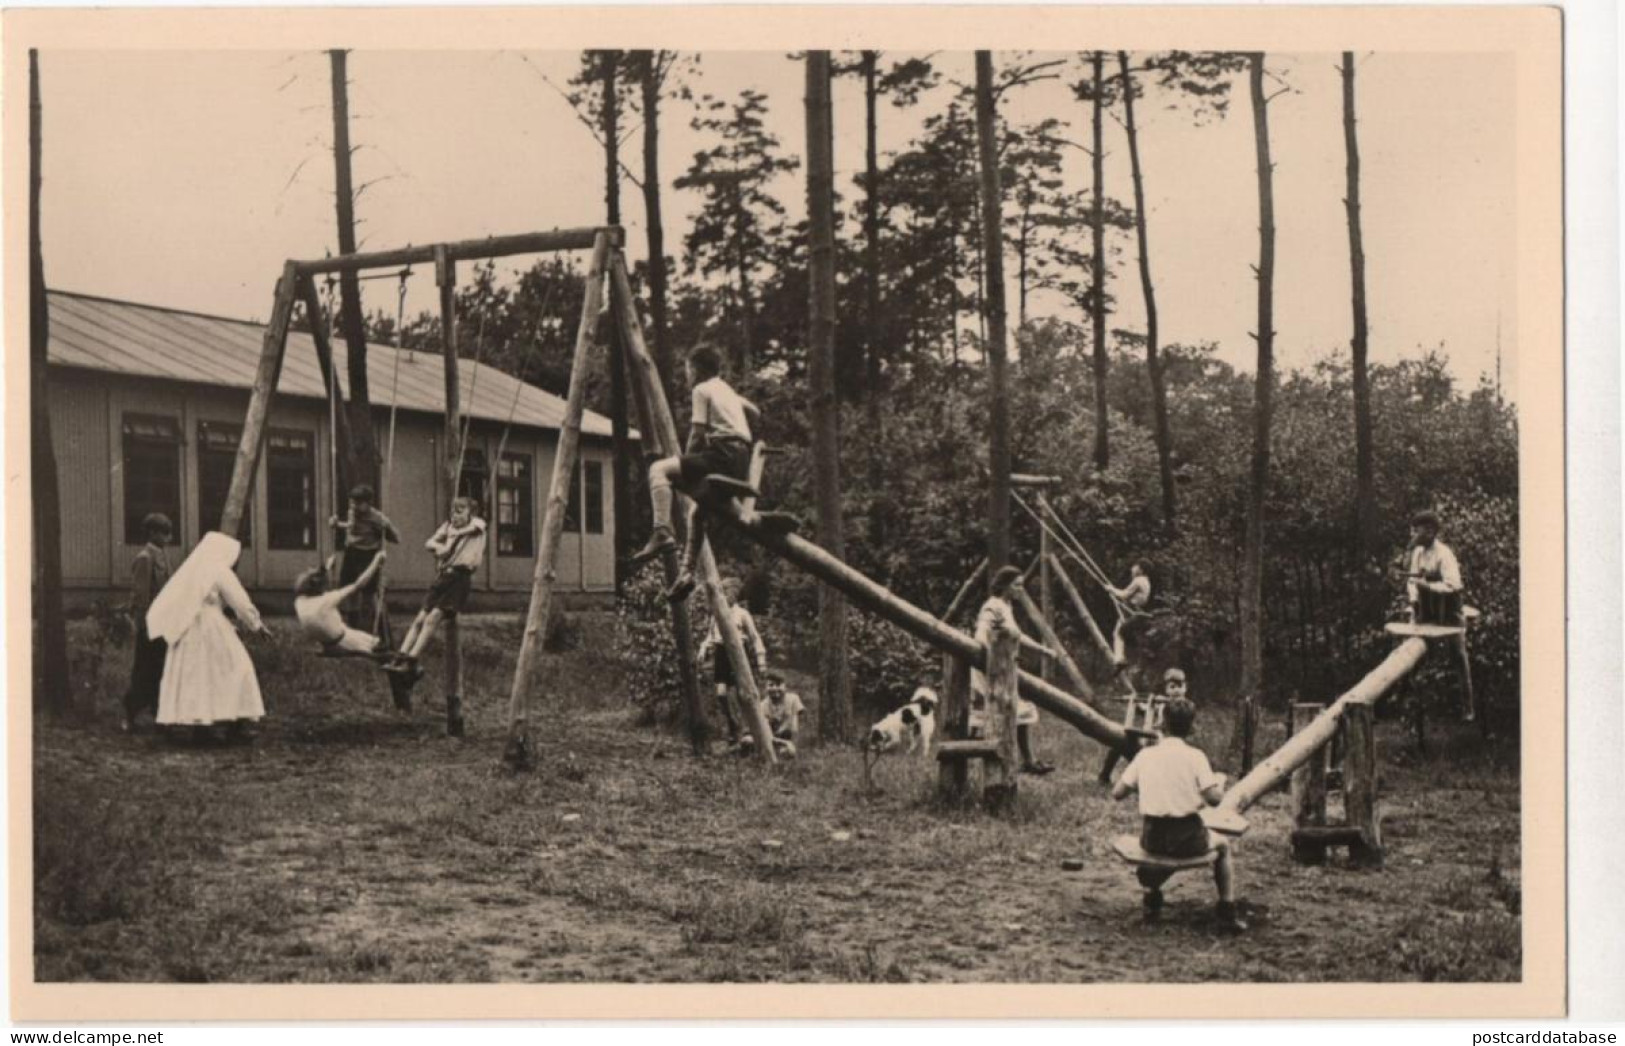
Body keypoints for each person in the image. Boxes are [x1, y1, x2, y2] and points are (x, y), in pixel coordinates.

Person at [632, 344, 760, 603]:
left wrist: (685, 461)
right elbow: (756, 412)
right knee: (697, 512)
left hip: (722, 454)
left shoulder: (701, 389)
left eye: (688, 369)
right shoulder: (727, 390)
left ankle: (661, 531)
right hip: (741, 459)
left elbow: (697, 433)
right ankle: (687, 574)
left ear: (697, 369)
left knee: (658, 469)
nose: (686, 375)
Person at [1111, 697, 1245, 932]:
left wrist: (1151, 787)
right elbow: (1214, 799)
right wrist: (1219, 782)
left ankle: (1152, 900)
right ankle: (1227, 910)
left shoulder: (1146, 755)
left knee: (1156, 854)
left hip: (1152, 837)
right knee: (1223, 845)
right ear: (1191, 727)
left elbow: (1117, 793)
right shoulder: (1195, 756)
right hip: (1187, 837)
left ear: (1162, 723)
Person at [146, 531, 268, 742]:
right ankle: (234, 724)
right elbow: (239, 600)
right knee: (237, 668)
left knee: (195, 676)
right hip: (211, 625)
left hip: (187, 627)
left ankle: (201, 726)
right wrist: (256, 624)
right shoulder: (219, 571)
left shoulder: (192, 570)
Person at [389, 498, 487, 683]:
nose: (455, 516)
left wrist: (453, 540)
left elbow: (476, 528)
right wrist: (439, 547)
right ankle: (400, 656)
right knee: (420, 618)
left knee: (433, 617)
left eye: (460, 511)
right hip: (443, 577)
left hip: (460, 578)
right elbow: (429, 542)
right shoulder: (448, 527)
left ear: (470, 513)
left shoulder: (477, 525)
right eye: (453, 511)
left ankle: (411, 661)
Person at [971, 566, 1053, 776]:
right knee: (1001, 711)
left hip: (1005, 667)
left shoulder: (1007, 606)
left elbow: (1017, 635)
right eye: (1017, 585)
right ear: (1005, 586)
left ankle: (1028, 761)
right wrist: (993, 658)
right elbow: (981, 634)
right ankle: (986, 759)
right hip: (990, 668)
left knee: (1018, 711)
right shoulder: (993, 605)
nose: (1020, 590)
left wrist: (1042, 649)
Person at [1402, 509, 1477, 722]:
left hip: (1449, 610)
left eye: (1419, 531)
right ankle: (1409, 703)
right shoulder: (1417, 553)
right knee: (1412, 653)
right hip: (1427, 610)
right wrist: (1415, 598)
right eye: (1414, 530)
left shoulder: (1445, 554)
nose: (1415, 535)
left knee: (1459, 657)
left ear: (1431, 531)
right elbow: (1412, 581)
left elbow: (1453, 585)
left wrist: (1428, 585)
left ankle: (1467, 707)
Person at [696, 579, 766, 745]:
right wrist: (703, 649)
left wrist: (761, 659)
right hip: (721, 653)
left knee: (742, 694)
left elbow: (754, 637)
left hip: (738, 653)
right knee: (721, 693)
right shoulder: (717, 614)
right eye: (725, 591)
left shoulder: (742, 614)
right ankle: (733, 724)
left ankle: (747, 729)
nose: (728, 595)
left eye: (732, 592)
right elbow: (710, 637)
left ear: (736, 594)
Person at [122, 513, 173, 732]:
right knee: (144, 669)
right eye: (163, 533)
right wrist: (142, 625)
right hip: (149, 624)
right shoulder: (145, 558)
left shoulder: (163, 555)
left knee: (160, 669)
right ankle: (130, 713)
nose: (167, 538)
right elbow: (141, 596)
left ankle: (157, 712)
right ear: (152, 533)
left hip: (164, 623)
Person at [1098, 666, 1188, 785]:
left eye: (1179, 686)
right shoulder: (1162, 703)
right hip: (1153, 738)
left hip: (1168, 741)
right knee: (1120, 741)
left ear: (1185, 688)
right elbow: (1145, 709)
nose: (1176, 690)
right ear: (1166, 689)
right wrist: (1142, 703)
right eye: (1172, 687)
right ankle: (1105, 775)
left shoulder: (1185, 706)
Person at [328, 484, 400, 629]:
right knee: (348, 589)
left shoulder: (377, 518)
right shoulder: (352, 512)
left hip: (368, 555)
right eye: (352, 502)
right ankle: (352, 625)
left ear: (367, 503)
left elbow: (396, 538)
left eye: (357, 503)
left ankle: (376, 626)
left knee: (369, 593)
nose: (353, 506)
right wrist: (337, 524)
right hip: (351, 553)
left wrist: (386, 529)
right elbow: (351, 525)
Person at [293, 551, 388, 655]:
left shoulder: (299, 602)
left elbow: (315, 579)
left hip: (326, 641)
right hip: (343, 641)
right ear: (320, 586)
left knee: (362, 636)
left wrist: (327, 566)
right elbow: (359, 584)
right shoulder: (327, 600)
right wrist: (376, 561)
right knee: (377, 645)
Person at [742, 673, 805, 758]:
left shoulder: (793, 699)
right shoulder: (762, 705)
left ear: (785, 686)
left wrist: (791, 743)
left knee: (789, 752)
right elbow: (765, 732)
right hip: (771, 739)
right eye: (771, 685)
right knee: (747, 740)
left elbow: (794, 727)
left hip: (786, 736)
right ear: (765, 688)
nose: (775, 688)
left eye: (779, 685)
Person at [1106, 560, 1153, 673]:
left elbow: (1124, 595)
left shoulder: (1138, 580)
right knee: (1120, 634)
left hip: (1130, 610)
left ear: (1140, 570)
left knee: (1118, 633)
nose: (1132, 569)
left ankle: (1120, 659)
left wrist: (1111, 589)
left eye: (1134, 566)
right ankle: (1120, 659)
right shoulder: (1146, 581)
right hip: (1134, 610)